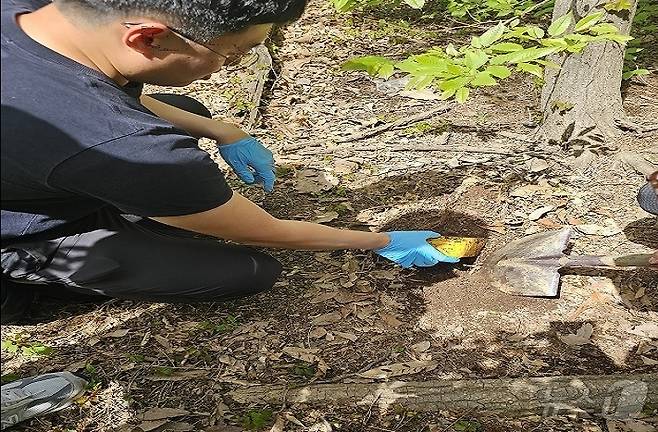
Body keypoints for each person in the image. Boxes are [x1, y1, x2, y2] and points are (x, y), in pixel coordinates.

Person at [1, 0, 460, 323]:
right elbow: (265, 231)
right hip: (26, 224)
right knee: (247, 270)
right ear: (148, 37)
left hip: (39, 165)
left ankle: (144, 206)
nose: (231, 66)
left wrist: (226, 130)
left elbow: (109, 94)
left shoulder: (42, 15)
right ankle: (26, 283)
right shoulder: (122, 142)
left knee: (195, 116)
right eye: (232, 53)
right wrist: (379, 240)